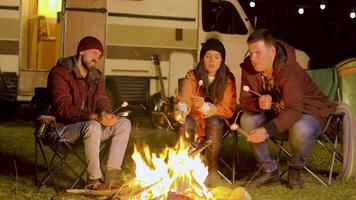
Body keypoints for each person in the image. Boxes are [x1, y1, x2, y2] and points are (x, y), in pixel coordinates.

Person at [239, 29, 337, 189]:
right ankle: (268, 169)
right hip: (278, 113)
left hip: (308, 111)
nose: (253, 58)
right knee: (247, 119)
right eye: (250, 53)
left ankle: (295, 168)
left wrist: (266, 130)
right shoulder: (249, 68)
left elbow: (294, 109)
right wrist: (258, 104)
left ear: (272, 51)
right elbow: (244, 101)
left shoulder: (289, 70)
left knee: (301, 128)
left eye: (258, 52)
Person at [47, 36, 131, 190]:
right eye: (94, 53)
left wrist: (106, 113)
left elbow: (101, 99)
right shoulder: (59, 73)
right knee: (93, 125)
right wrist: (93, 117)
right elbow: (63, 107)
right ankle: (93, 180)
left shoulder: (95, 76)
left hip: (90, 130)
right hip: (61, 129)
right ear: (82, 51)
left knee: (124, 123)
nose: (96, 58)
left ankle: (110, 178)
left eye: (99, 56)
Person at [174, 38, 237, 185]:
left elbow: (228, 108)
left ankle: (212, 170)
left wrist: (206, 107)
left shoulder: (227, 78)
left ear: (222, 60)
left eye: (216, 57)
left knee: (214, 121)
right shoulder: (193, 75)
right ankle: (183, 168)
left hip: (216, 121)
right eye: (208, 56)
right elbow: (184, 99)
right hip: (195, 120)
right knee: (185, 123)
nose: (212, 61)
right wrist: (181, 111)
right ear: (202, 58)